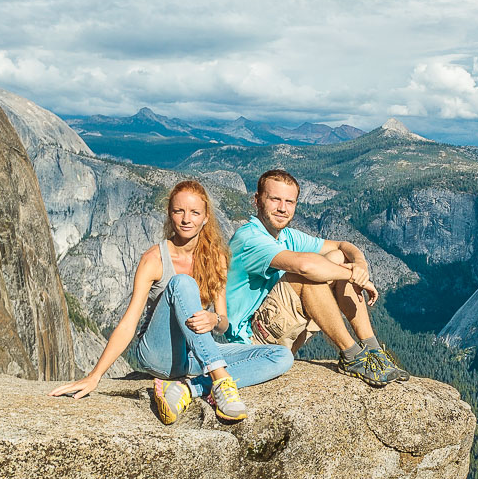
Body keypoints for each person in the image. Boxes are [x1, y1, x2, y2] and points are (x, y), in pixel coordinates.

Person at [50, 179, 293, 422]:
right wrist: (95, 375)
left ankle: (189, 389)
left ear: (206, 217)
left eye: (195, 212)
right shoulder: (154, 259)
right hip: (159, 354)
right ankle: (221, 383)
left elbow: (224, 324)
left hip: (195, 356)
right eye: (179, 211)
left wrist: (214, 319)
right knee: (182, 283)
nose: (187, 219)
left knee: (282, 357)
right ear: (170, 215)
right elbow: (128, 324)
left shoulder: (216, 257)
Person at [223, 169, 409, 387]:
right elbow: (305, 266)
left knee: (338, 258)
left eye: (289, 202)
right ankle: (352, 356)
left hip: (279, 331)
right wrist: (354, 277)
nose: (283, 208)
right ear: (257, 200)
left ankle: (374, 351)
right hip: (254, 343)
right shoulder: (250, 238)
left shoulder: (287, 236)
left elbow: (342, 246)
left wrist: (360, 264)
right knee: (306, 276)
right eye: (275, 199)